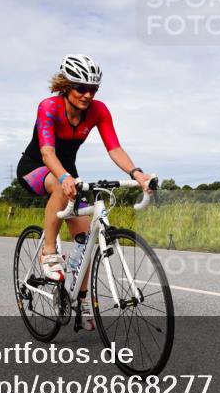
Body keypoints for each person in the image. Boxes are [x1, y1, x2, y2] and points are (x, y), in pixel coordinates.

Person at [17, 54, 152, 330]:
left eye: (94, 90)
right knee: (58, 185)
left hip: (67, 173)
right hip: (37, 167)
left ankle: (80, 297)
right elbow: (46, 151)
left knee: (85, 239)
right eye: (81, 88)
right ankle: (48, 252)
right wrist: (64, 175)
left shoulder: (99, 111)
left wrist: (137, 174)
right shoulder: (49, 107)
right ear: (66, 86)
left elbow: (114, 148)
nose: (88, 95)